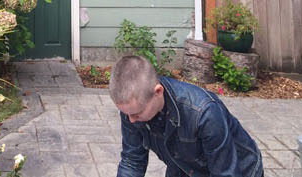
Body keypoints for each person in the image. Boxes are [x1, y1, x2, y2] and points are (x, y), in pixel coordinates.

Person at [110, 55, 263, 177]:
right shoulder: (132, 110)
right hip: (184, 167)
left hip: (239, 170)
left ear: (158, 92)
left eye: (136, 113)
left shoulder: (204, 113)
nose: (131, 120)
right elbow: (132, 162)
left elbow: (226, 173)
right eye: (126, 114)